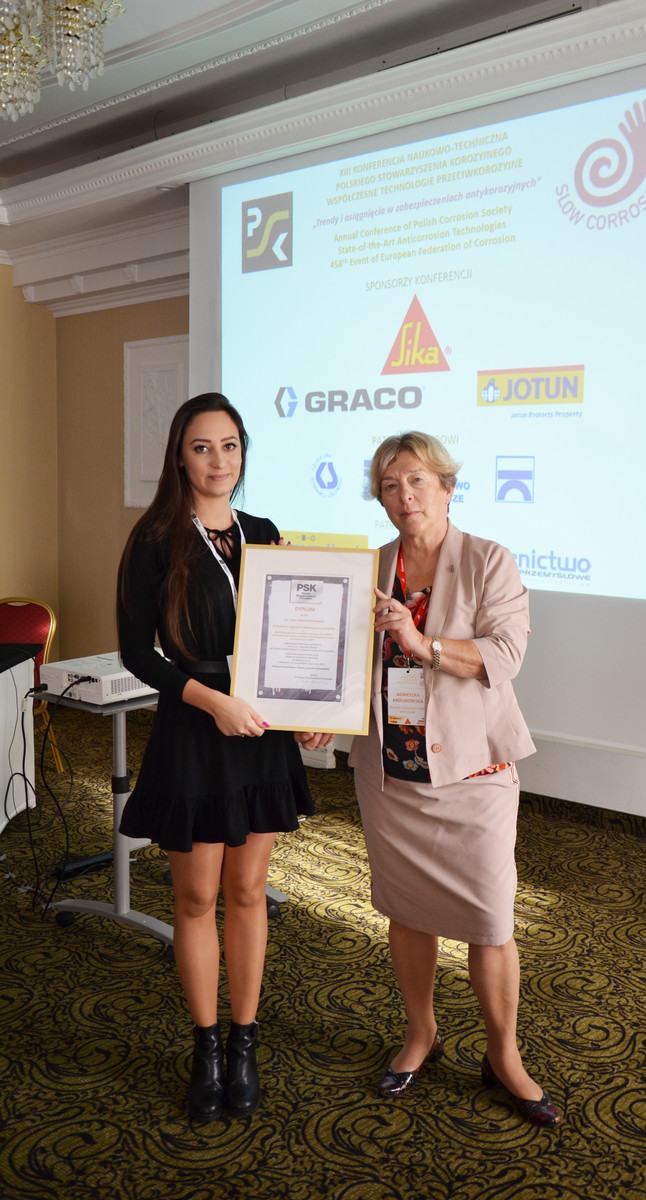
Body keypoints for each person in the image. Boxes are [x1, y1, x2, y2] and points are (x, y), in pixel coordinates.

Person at [117, 392, 331, 1123]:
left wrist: (307, 712)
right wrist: (214, 703)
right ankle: (205, 1047)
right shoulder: (154, 538)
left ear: (244, 453)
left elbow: (291, 636)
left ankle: (244, 1043)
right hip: (196, 731)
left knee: (248, 891)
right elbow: (135, 653)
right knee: (196, 898)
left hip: (261, 734)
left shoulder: (263, 534)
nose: (218, 460)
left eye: (230, 445)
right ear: (179, 456)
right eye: (202, 447)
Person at [349, 431, 561, 1128]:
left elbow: (505, 654)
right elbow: (346, 663)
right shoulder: (370, 567)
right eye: (389, 485)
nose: (404, 495)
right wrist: (323, 718)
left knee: (491, 919)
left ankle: (504, 1054)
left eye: (417, 480)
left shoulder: (488, 560)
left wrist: (422, 643)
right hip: (393, 773)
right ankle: (422, 1034)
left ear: (447, 487)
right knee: (407, 910)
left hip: (473, 770)